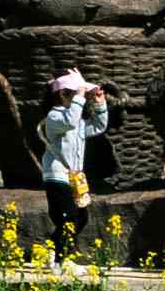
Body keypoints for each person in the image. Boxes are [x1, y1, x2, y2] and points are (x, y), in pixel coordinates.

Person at [34, 68, 109, 249]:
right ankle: (63, 261)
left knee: (81, 217)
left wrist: (100, 105)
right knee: (67, 218)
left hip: (74, 177)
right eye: (77, 94)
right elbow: (70, 122)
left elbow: (98, 127)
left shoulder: (76, 120)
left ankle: (51, 251)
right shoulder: (55, 116)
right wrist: (80, 97)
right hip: (57, 176)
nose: (83, 100)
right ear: (64, 94)